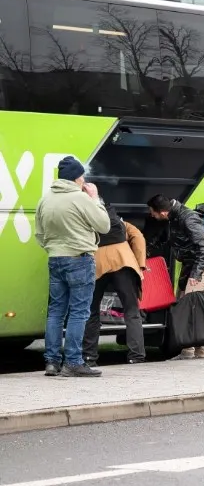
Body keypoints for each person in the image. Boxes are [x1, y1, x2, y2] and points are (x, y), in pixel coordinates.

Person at [35, 157, 111, 377]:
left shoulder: (45, 199)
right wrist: (95, 198)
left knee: (56, 311)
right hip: (79, 258)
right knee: (79, 311)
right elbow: (104, 226)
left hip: (55, 258)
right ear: (78, 178)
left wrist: (54, 248)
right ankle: (74, 362)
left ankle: (51, 362)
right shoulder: (81, 198)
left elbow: (39, 234)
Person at [147, 194, 204, 359]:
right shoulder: (174, 217)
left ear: (163, 212)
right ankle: (202, 351)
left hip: (202, 267)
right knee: (191, 307)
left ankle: (188, 351)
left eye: (153, 212)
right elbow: (171, 241)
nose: (152, 215)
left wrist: (196, 273)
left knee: (190, 307)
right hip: (190, 266)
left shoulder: (188, 219)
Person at [84, 199, 148, 367]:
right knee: (131, 310)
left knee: (92, 311)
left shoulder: (88, 218)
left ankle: (89, 357)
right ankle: (137, 356)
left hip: (97, 264)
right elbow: (138, 238)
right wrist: (141, 264)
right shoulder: (120, 222)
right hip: (123, 261)